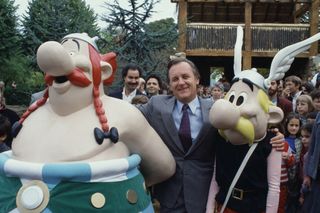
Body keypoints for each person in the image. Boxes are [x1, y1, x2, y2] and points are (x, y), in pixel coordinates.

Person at [0, 33, 175, 212]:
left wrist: (124, 185)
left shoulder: (124, 114)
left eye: (73, 52)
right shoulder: (32, 114)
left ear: (103, 70)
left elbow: (163, 166)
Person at [138, 58, 284, 213]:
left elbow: (245, 129)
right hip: (169, 194)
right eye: (175, 79)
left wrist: (273, 134)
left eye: (185, 77)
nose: (181, 82)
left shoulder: (217, 110)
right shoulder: (156, 105)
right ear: (170, 84)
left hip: (203, 192)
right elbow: (130, 114)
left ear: (197, 79)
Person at [284, 112, 303, 213]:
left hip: (296, 175)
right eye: (291, 125)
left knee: (293, 196)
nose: (294, 128)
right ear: (286, 125)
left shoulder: (300, 140)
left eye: (297, 125)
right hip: (284, 174)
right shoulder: (282, 139)